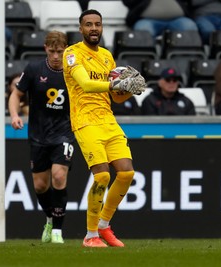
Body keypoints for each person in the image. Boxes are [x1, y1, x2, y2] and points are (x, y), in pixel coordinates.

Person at [63, 9, 146, 247]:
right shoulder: (72, 53)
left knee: (127, 173)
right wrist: (117, 82)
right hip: (84, 121)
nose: (93, 28)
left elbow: (115, 97)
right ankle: (90, 236)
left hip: (108, 120)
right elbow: (86, 85)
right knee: (102, 176)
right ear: (80, 29)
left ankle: (103, 225)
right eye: (88, 24)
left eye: (97, 24)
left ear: (102, 27)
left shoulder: (108, 56)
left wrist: (128, 89)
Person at [9, 31, 75, 244]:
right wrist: (14, 114)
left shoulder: (74, 73)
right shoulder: (34, 69)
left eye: (60, 51)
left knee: (58, 176)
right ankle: (49, 218)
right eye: (53, 51)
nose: (56, 56)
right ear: (46, 48)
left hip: (64, 133)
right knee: (39, 185)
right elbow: (16, 94)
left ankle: (57, 231)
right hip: (38, 135)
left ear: (66, 50)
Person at [121, 0, 198, 39]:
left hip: (177, 19)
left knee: (189, 26)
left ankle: (186, 62)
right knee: (143, 30)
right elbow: (128, 2)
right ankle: (147, 64)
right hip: (147, 20)